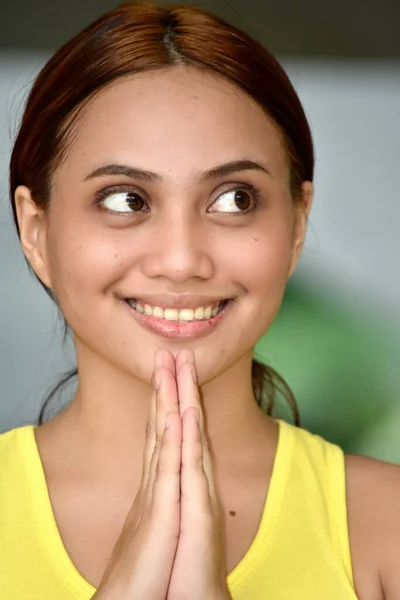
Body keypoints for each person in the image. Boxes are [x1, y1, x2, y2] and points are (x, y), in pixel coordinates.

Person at [1, 2, 399, 599]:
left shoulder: (387, 527)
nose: (183, 259)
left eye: (235, 199)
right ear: (36, 232)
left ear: (296, 226)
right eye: (125, 200)